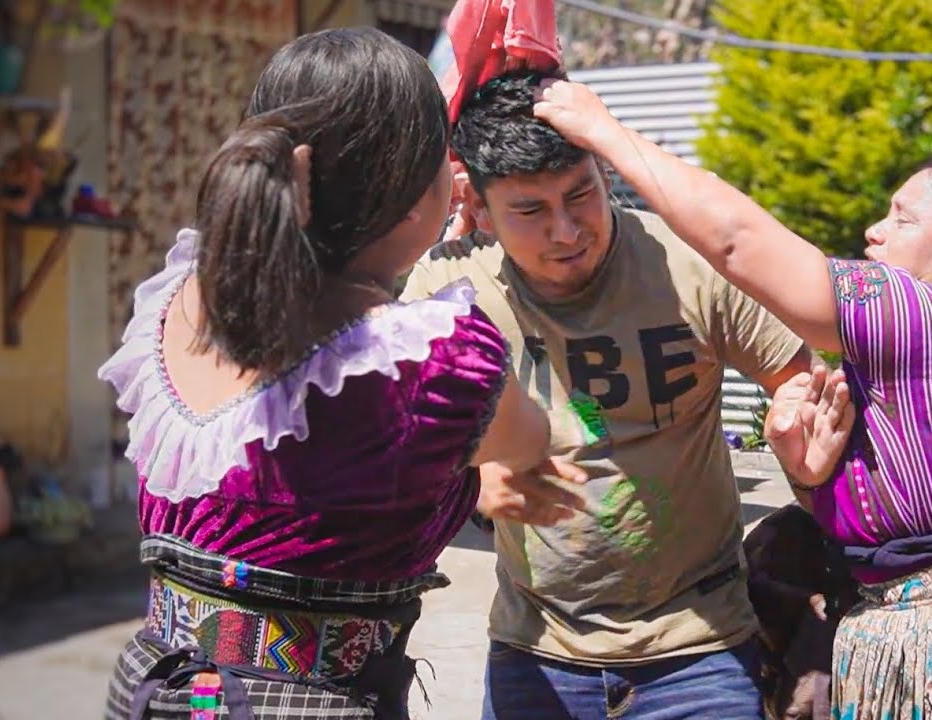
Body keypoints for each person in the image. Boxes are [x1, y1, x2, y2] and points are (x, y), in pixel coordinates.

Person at [533, 79, 932, 719]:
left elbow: (736, 242)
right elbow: (895, 534)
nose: (874, 231)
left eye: (903, 218)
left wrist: (603, 132)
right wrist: (804, 471)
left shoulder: (925, 314)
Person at [98, 28, 581, 720]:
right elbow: (530, 438)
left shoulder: (180, 300)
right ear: (419, 195)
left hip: (164, 691)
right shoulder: (433, 359)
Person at [399, 70, 855, 719]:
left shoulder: (685, 263)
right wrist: (471, 474)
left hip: (703, 647)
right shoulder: (451, 288)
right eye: (530, 211)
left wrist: (797, 431)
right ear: (479, 202)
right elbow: (399, 439)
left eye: (582, 194)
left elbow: (798, 379)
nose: (566, 230)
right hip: (537, 652)